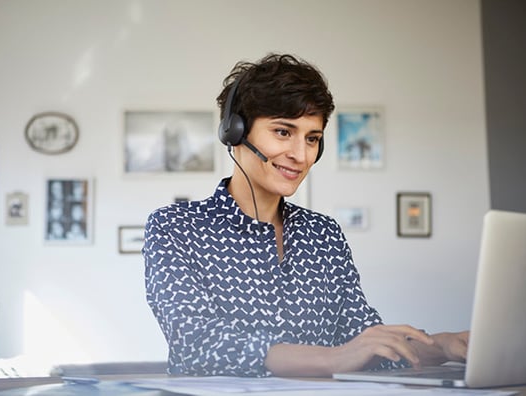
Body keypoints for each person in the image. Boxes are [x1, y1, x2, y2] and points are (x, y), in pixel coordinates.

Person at [143, 53, 469, 377]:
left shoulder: (323, 234)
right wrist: (332, 360)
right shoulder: (176, 228)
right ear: (235, 131)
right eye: (283, 132)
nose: (300, 155)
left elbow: (364, 340)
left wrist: (441, 346)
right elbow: (197, 342)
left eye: (312, 139)